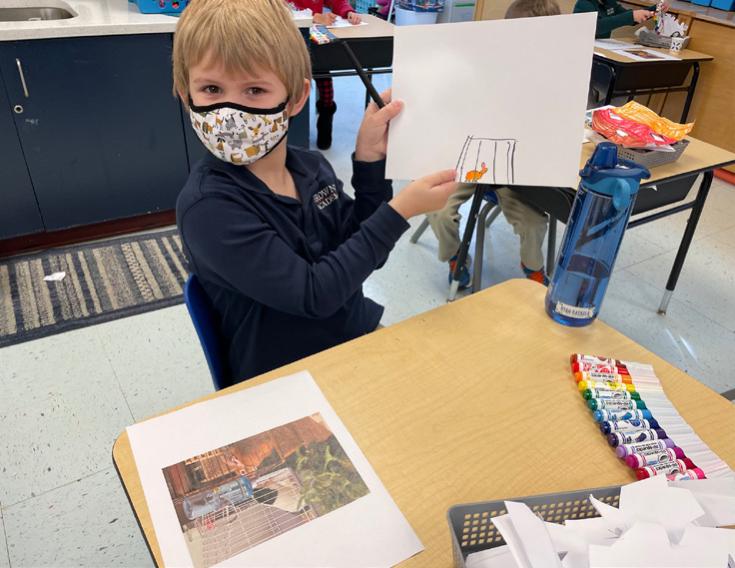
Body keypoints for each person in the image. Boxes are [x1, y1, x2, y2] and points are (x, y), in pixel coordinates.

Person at [173, 0, 457, 383]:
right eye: (211, 88)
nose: (231, 112)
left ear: (296, 98)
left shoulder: (311, 168)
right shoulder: (208, 208)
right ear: (186, 93)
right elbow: (314, 295)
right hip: (284, 375)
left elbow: (366, 254)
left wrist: (369, 160)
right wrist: (400, 211)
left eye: (254, 89)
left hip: (351, 335)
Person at [426, 0, 560, 289]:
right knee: (438, 209)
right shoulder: (481, 66)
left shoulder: (555, 76)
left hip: (517, 171)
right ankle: (455, 256)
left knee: (534, 223)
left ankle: (532, 266)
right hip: (470, 157)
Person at [289, 0, 362, 150]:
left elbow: (338, 2)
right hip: (291, 41)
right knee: (295, 86)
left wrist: (348, 12)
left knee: (324, 77)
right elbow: (283, 9)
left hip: (317, 38)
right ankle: (292, 127)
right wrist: (314, 17)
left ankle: (325, 118)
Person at [574, 0, 665, 39]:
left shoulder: (609, 2)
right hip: (585, 50)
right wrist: (631, 16)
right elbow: (596, 27)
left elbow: (628, 18)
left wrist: (656, 8)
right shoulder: (584, 3)